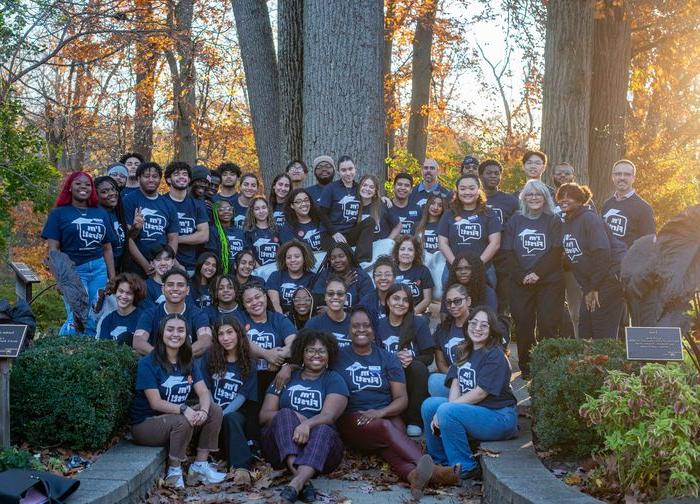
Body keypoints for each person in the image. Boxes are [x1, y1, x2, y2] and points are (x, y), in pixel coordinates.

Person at [334, 306, 458, 493]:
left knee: (392, 435)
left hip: (384, 414)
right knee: (386, 429)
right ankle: (434, 471)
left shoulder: (388, 358)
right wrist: (288, 367)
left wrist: (380, 413)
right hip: (354, 417)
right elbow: (309, 360)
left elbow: (401, 399)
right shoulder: (338, 357)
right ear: (348, 330)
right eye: (355, 325)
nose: (361, 330)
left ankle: (414, 477)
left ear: (374, 330)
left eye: (366, 325)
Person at [421, 307, 518, 481]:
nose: (477, 328)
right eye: (474, 323)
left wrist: (446, 410)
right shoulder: (463, 349)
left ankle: (465, 467)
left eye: (484, 325)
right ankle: (440, 462)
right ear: (467, 326)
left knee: (446, 410)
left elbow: (480, 393)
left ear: (491, 330)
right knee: (429, 406)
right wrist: (445, 409)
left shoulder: (495, 355)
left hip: (499, 416)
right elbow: (456, 384)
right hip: (477, 411)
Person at [129, 314, 225, 488]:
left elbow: (203, 391)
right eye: (170, 329)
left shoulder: (188, 360)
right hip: (146, 424)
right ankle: (174, 472)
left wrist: (203, 411)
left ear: (187, 335)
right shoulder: (148, 363)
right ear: (161, 333)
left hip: (175, 419)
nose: (175, 334)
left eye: (181, 330)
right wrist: (184, 409)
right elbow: (155, 403)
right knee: (183, 419)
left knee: (214, 409)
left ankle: (199, 467)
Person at [260, 330, 348, 503]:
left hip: (323, 451)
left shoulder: (334, 379)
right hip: (280, 447)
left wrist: (307, 425)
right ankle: (300, 481)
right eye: (310, 350)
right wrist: (298, 419)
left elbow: (329, 416)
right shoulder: (285, 377)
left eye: (322, 351)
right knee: (285, 414)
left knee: (323, 428)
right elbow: (264, 416)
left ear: (329, 355)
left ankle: (296, 482)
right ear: (302, 353)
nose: (316, 355)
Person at [502, 180, 564, 378]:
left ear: (545, 197)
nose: (534, 198)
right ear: (524, 198)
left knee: (548, 323)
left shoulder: (553, 220)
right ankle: (527, 367)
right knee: (524, 325)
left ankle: (547, 365)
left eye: (538, 194)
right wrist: (523, 275)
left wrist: (537, 273)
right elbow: (508, 252)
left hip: (549, 281)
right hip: (520, 283)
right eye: (530, 194)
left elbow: (556, 251)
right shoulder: (515, 220)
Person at [42, 171, 116, 336]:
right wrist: (60, 280)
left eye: (88, 184)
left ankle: (86, 354)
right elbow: (53, 250)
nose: (83, 187)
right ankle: (65, 353)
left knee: (94, 315)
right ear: (69, 187)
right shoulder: (59, 214)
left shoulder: (100, 213)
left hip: (98, 270)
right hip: (73, 271)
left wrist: (112, 277)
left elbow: (107, 248)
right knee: (76, 317)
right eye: (78, 183)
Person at [558, 183, 626, 339]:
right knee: (585, 329)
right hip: (592, 283)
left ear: (580, 200)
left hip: (608, 279)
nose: (564, 200)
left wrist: (594, 287)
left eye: (570, 197)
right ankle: (588, 363)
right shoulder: (568, 222)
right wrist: (589, 288)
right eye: (561, 196)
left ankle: (605, 363)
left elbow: (602, 253)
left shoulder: (589, 219)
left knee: (602, 330)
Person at [200, 314, 258, 471]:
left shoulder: (249, 362)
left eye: (229, 332)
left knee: (231, 419)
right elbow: (205, 389)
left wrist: (222, 414)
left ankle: (241, 469)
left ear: (238, 333)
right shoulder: (209, 358)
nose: (225, 338)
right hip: (211, 409)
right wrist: (215, 412)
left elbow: (243, 395)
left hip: (235, 413)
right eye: (221, 334)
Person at [376, 284, 434, 437]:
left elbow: (429, 357)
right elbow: (372, 355)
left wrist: (411, 358)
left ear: (410, 304)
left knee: (418, 368)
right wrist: (393, 359)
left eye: (405, 300)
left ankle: (414, 421)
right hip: (387, 376)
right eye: (396, 298)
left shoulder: (418, 323)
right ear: (387, 301)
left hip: (410, 377)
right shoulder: (378, 325)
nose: (400, 303)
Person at [437, 173, 501, 288]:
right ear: (457, 191)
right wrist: (458, 266)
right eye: (462, 189)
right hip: (453, 270)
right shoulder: (448, 214)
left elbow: (495, 243)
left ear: (478, 190)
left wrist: (476, 266)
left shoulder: (489, 213)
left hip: (483, 270)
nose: (467, 192)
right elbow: (442, 243)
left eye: (471, 188)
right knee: (453, 305)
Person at [133, 268, 212, 356]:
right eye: (170, 285)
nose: (175, 289)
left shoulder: (198, 314)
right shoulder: (150, 313)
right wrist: (162, 357)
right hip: (158, 364)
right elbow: (138, 341)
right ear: (163, 289)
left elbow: (205, 340)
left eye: (180, 285)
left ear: (188, 290)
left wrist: (180, 357)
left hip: (188, 364)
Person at [238, 282, 297, 401]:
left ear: (265, 296)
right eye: (249, 301)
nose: (254, 302)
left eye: (257, 297)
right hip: (245, 376)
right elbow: (241, 342)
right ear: (244, 305)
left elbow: (295, 344)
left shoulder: (278, 319)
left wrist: (277, 357)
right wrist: (267, 354)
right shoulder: (239, 318)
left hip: (273, 375)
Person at [122, 162, 179, 278]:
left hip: (161, 265)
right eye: (146, 176)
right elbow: (127, 238)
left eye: (155, 176)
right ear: (138, 178)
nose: (151, 180)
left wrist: (167, 262)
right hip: (135, 264)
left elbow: (173, 238)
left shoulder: (168, 204)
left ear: (160, 179)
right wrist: (145, 264)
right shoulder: (129, 200)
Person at [318, 155, 375, 262]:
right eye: (344, 170)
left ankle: (362, 261)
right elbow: (322, 213)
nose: (348, 173)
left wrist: (385, 199)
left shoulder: (359, 188)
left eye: (350, 169)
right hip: (331, 234)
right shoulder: (330, 188)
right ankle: (353, 264)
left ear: (355, 168)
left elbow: (372, 196)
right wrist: (334, 232)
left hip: (350, 233)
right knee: (343, 252)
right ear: (338, 172)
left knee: (370, 221)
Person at [164, 162, 209, 274]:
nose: (181, 177)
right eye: (176, 174)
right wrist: (175, 263)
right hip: (164, 264)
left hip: (190, 266)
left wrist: (174, 239)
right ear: (169, 179)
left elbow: (204, 235)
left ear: (189, 180)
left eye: (185, 174)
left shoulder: (197, 204)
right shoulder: (161, 202)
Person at [601, 159, 655, 249]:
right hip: (607, 261)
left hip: (629, 262)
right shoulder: (607, 204)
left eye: (627, 174)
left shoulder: (643, 208)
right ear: (612, 177)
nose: (622, 178)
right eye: (618, 174)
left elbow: (649, 243)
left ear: (633, 178)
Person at [431, 284, 471, 397]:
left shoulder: (478, 325)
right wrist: (455, 378)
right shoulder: (443, 329)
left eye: (457, 301)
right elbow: (441, 363)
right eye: (448, 302)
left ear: (468, 301)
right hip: (452, 379)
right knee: (433, 381)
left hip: (476, 380)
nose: (452, 306)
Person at [311, 243, 373, 309]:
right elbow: (316, 300)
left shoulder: (361, 276)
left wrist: (333, 311)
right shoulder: (325, 274)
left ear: (349, 257)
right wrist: (343, 285)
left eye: (341, 256)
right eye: (333, 258)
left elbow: (367, 307)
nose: (337, 260)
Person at [267, 240, 315, 314]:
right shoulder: (275, 276)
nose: (293, 260)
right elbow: (275, 302)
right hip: (281, 318)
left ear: (304, 258)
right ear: (284, 260)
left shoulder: (312, 278)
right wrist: (283, 321)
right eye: (289, 257)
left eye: (297, 256)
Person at [98, 272, 146, 345]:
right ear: (115, 291)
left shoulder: (143, 317)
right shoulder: (107, 320)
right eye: (121, 291)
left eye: (129, 293)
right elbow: (103, 348)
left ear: (135, 295)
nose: (123, 296)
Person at [305, 276, 351, 348]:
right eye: (330, 294)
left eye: (340, 294)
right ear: (325, 297)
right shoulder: (313, 324)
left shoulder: (355, 323)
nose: (335, 297)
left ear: (346, 298)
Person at [95, 175, 129, 272]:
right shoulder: (97, 217)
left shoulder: (117, 213)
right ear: (96, 196)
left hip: (119, 268)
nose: (112, 193)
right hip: (102, 272)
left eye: (113, 189)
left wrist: (135, 228)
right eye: (104, 192)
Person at [393, 236, 433, 314]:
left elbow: (427, 299)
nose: (406, 253)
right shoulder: (390, 270)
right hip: (394, 312)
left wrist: (411, 314)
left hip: (417, 313)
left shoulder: (423, 271)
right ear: (397, 252)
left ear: (416, 253)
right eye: (402, 249)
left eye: (410, 250)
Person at [280, 188, 328, 253]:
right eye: (299, 202)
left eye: (306, 200)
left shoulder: (320, 219)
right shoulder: (288, 228)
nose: (304, 204)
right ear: (292, 205)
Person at [207, 199, 246, 274]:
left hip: (239, 274)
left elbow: (246, 251)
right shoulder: (213, 231)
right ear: (215, 212)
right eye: (221, 210)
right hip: (220, 274)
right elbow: (212, 255)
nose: (226, 212)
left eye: (229, 209)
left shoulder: (239, 231)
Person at [358, 174, 401, 241]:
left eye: (371, 187)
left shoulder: (383, 204)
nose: (367, 189)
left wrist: (387, 241)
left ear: (375, 191)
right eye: (364, 185)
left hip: (380, 248)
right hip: (360, 248)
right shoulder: (354, 205)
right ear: (359, 187)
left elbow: (398, 226)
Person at [243, 196, 279, 267]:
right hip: (258, 272)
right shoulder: (248, 232)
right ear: (252, 212)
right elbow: (249, 255)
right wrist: (260, 271)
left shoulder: (278, 230)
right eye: (257, 209)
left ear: (268, 209)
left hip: (277, 272)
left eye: (264, 207)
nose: (261, 211)